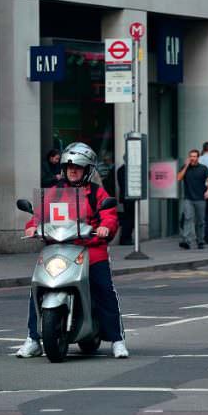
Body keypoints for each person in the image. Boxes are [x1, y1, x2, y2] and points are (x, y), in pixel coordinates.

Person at [15, 142, 129, 358]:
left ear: (87, 170)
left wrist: (106, 227)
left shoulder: (97, 193)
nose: (73, 171)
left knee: (104, 289)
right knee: (37, 289)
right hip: (57, 249)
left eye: (78, 168)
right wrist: (32, 227)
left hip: (90, 251)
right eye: (69, 168)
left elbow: (110, 214)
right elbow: (39, 216)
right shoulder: (54, 193)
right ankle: (33, 338)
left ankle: (117, 339)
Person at [177, 149, 208, 250]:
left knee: (200, 221)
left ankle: (200, 241)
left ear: (198, 157)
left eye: (194, 156)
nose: (192, 158)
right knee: (188, 218)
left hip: (200, 199)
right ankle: (186, 241)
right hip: (188, 199)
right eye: (191, 156)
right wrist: (186, 166)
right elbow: (178, 178)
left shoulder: (203, 168)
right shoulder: (185, 167)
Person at [115, 163, 135, 246]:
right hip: (129, 196)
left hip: (126, 197)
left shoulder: (121, 169)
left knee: (128, 218)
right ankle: (126, 238)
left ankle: (126, 238)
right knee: (129, 218)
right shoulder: (127, 169)